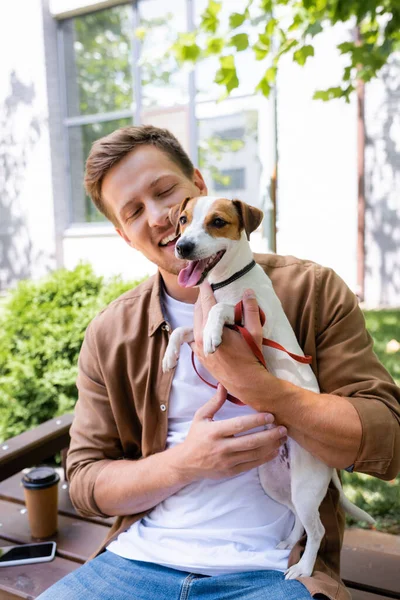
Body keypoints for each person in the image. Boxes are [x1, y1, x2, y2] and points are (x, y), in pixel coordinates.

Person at [38, 125, 400, 600]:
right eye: (133, 212)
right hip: (136, 562)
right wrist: (184, 464)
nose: (162, 217)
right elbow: (85, 482)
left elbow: (387, 440)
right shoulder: (110, 333)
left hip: (272, 572)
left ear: (200, 186)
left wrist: (256, 384)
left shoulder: (312, 291)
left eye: (165, 191)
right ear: (124, 235)